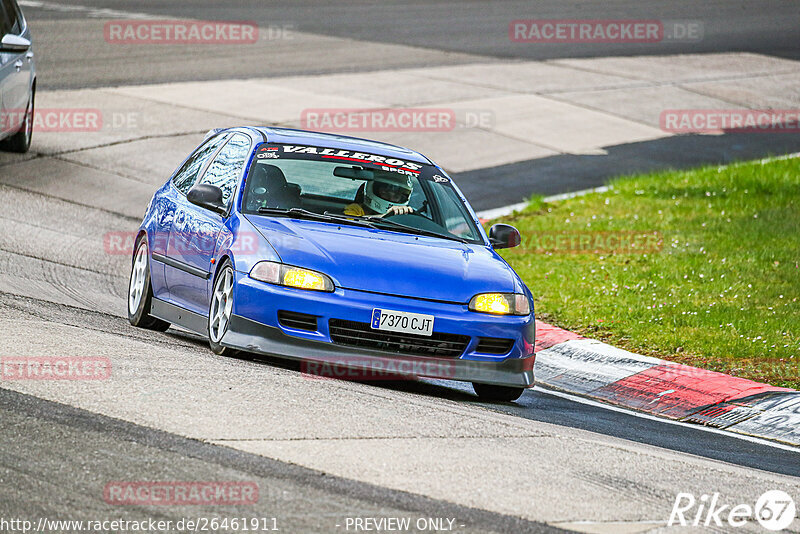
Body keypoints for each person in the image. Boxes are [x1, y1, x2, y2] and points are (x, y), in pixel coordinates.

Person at [344, 174, 414, 217]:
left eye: (397, 195)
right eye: (385, 191)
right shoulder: (355, 209)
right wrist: (386, 216)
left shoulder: (402, 215)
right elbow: (350, 224)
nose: (391, 196)